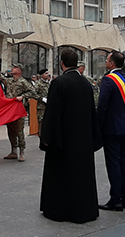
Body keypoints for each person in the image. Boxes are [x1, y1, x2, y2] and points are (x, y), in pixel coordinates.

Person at [39, 48, 101, 223]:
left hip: (63, 140)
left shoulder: (59, 83)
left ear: (61, 63)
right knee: (82, 176)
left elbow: (52, 114)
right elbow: (92, 111)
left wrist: (47, 139)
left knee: (62, 176)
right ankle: (84, 209)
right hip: (83, 140)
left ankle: (60, 210)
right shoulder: (86, 84)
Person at [96, 51, 125, 211]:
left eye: (107, 59)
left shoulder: (109, 80)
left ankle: (116, 199)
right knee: (124, 162)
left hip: (112, 127)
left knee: (113, 163)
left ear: (112, 63)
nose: (105, 61)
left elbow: (103, 105)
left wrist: (98, 125)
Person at [0, 64, 33, 161]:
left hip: (18, 110)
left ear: (19, 70)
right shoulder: (9, 81)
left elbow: (33, 92)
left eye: (14, 68)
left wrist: (22, 97)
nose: (12, 69)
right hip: (9, 110)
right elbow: (0, 77)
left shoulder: (23, 82)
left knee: (19, 131)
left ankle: (22, 151)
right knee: (11, 130)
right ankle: (13, 151)